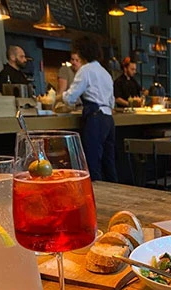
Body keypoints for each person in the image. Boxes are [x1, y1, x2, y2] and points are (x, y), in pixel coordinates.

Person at [62, 38, 117, 183]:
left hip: (96, 118)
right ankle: (116, 197)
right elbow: (112, 101)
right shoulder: (105, 73)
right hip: (108, 119)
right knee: (109, 162)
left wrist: (61, 96)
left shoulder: (85, 70)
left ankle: (98, 199)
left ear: (81, 52)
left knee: (93, 162)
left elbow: (70, 97)